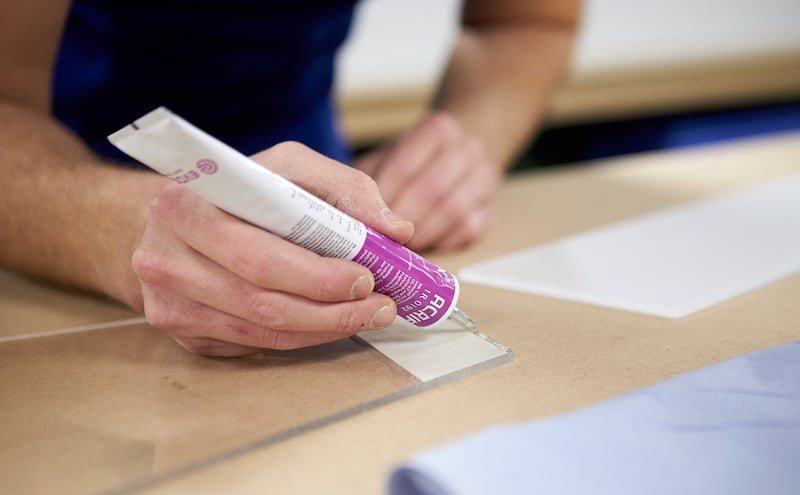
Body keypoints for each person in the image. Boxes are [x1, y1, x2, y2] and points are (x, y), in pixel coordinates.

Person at [0, 0, 580, 356]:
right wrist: (121, 228)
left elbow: (527, 18)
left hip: (317, 186)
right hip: (55, 206)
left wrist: (466, 139)